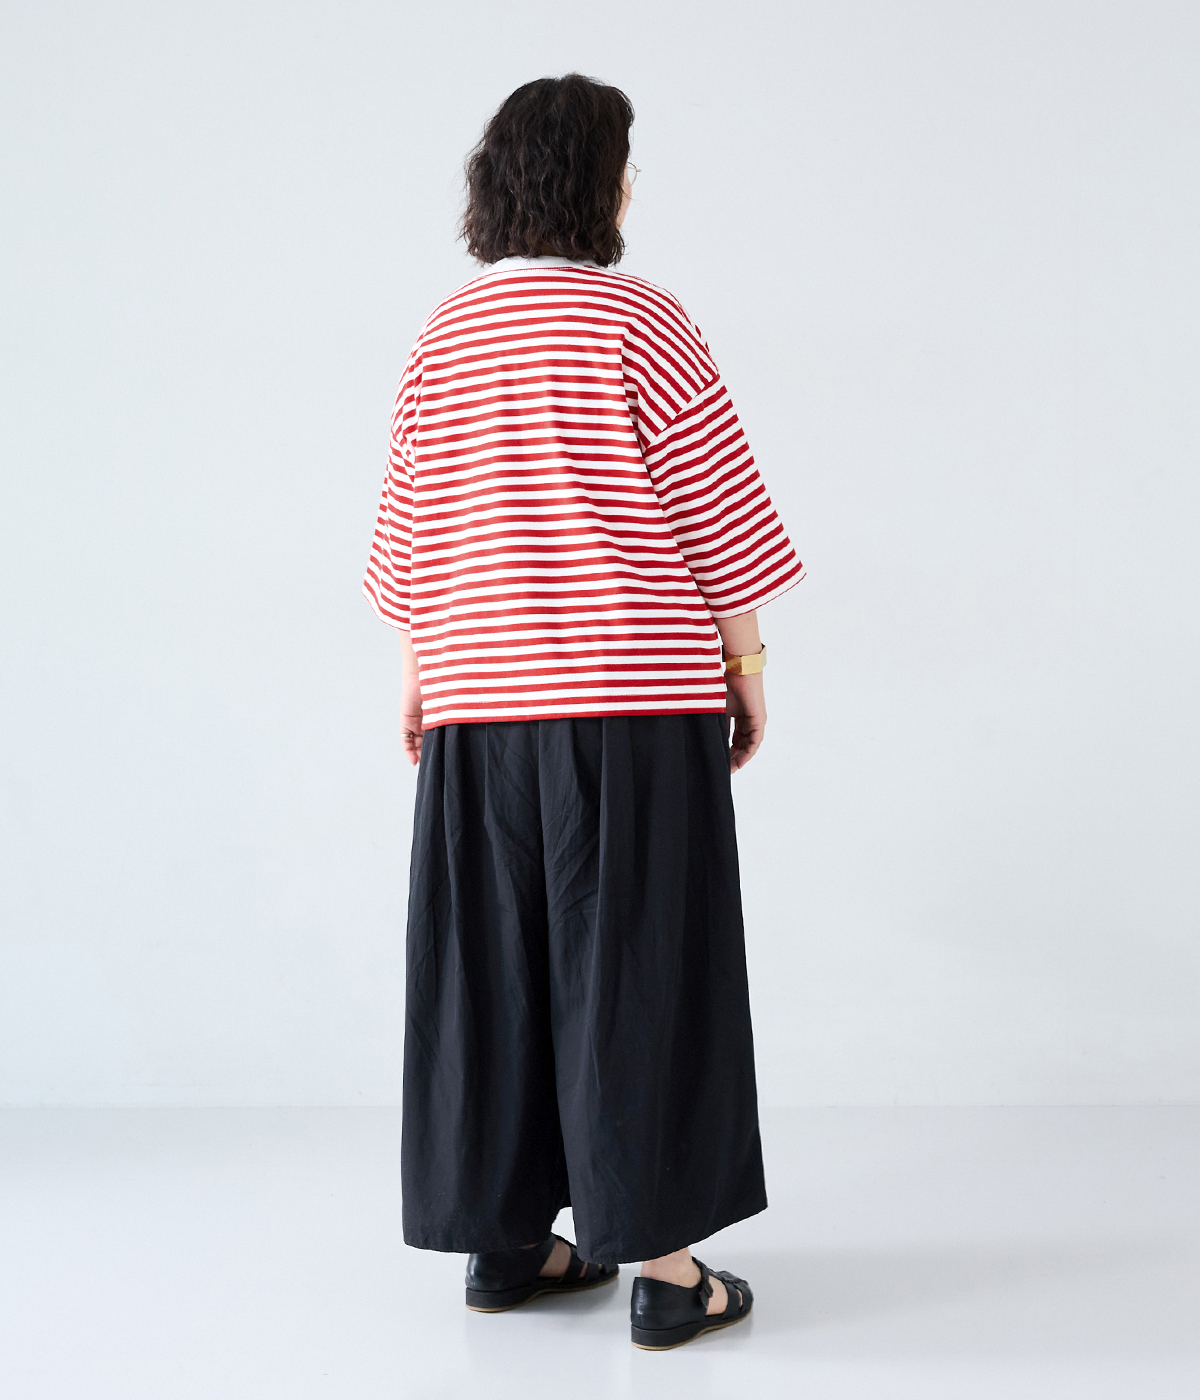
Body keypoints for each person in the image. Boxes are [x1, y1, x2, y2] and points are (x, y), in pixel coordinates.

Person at [362, 73, 803, 1350]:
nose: (630, 189)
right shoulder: (640, 318)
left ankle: (508, 1247)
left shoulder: (445, 330)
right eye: (625, 168)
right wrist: (748, 665)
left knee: (490, 970)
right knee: (636, 965)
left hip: (477, 704)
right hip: (631, 704)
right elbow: (716, 508)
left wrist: (421, 675)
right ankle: (665, 1270)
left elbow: (411, 524)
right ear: (595, 182)